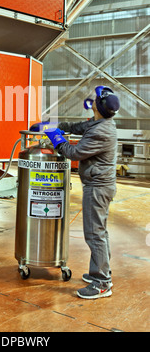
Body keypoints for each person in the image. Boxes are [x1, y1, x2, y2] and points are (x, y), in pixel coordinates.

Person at [44, 85, 120, 300]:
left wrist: (56, 139)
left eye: (95, 99)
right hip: (99, 184)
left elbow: (74, 152)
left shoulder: (100, 131)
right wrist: (57, 126)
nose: (92, 100)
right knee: (100, 232)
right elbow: (80, 127)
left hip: (98, 188)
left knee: (95, 234)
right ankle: (102, 272)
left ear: (98, 106)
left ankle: (102, 283)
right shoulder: (99, 122)